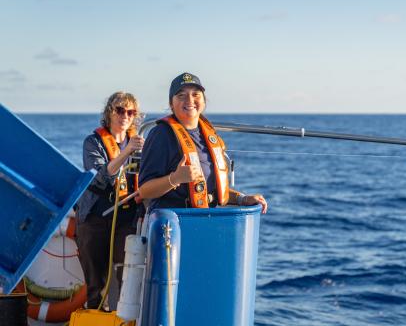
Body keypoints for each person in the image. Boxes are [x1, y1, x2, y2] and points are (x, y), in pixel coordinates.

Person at [138, 72, 268, 213]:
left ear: (204, 101)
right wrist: (175, 179)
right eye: (181, 95)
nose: (189, 100)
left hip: (205, 219)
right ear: (171, 104)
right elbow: (145, 191)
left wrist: (242, 199)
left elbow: (211, 191)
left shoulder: (208, 134)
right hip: (172, 221)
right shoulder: (161, 134)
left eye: (196, 94)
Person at [75, 91, 145, 309]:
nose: (125, 115)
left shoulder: (140, 145)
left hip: (126, 216)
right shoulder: (93, 142)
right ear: (109, 113)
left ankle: (122, 319)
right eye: (120, 110)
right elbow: (100, 177)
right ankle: (96, 315)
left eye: (130, 112)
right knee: (96, 280)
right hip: (95, 215)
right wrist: (126, 154)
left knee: (126, 270)